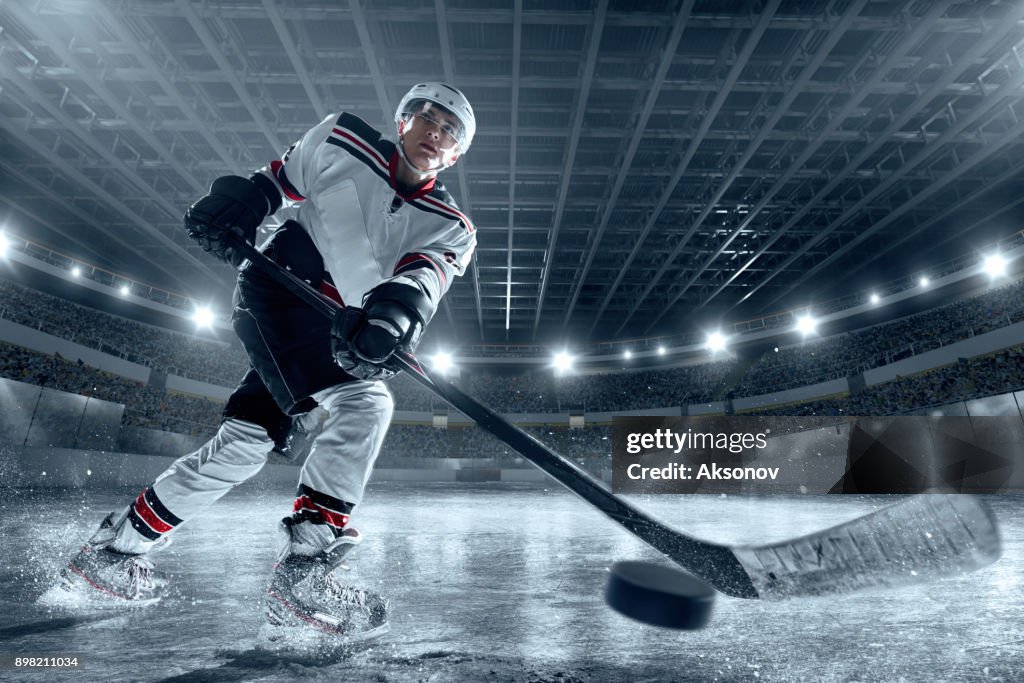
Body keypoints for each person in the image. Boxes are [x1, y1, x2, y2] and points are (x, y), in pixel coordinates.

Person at [54, 83, 477, 641]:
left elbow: (421, 280)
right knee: (365, 400)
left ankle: (114, 552)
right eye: (427, 118)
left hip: (333, 329)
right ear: (403, 122)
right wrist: (244, 205)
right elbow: (277, 182)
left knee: (243, 445)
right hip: (279, 290)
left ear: (455, 155)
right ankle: (306, 566)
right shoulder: (342, 137)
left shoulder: (452, 226)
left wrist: (391, 321)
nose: (435, 133)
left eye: (450, 131)